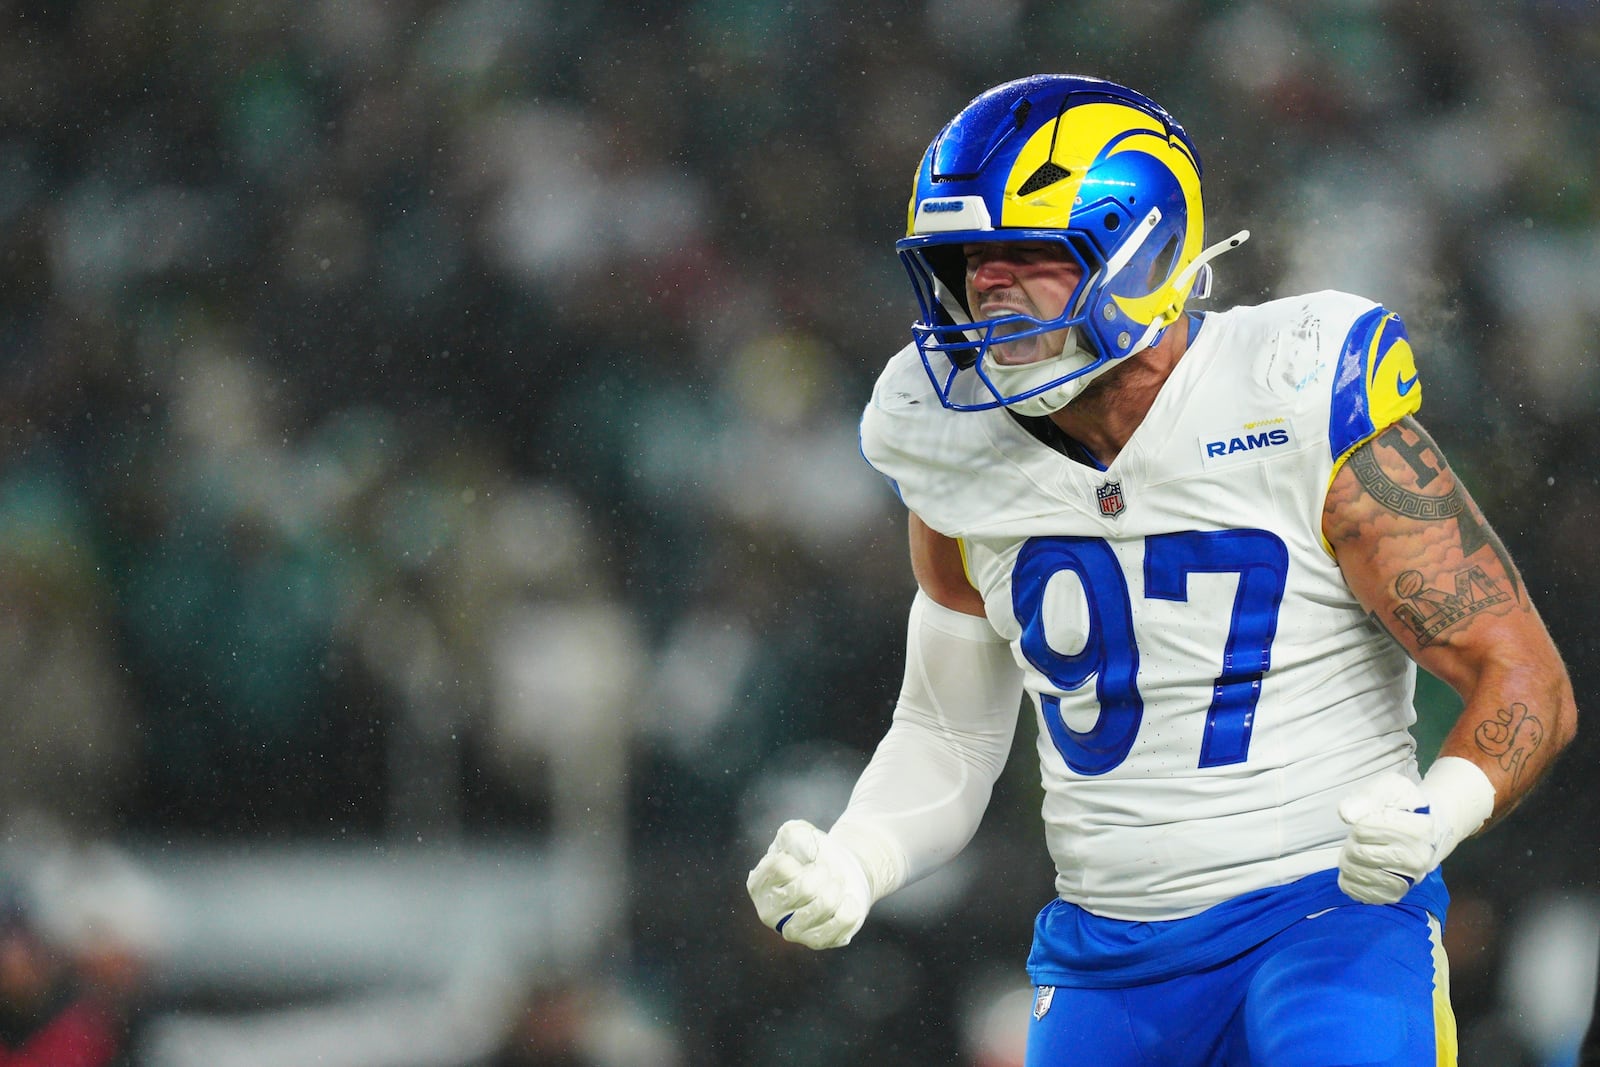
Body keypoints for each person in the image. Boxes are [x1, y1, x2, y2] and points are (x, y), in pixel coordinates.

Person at [745, 74, 1578, 1066]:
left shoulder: (1295, 395)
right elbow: (946, 729)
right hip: (1104, 958)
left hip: (1325, 922)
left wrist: (1438, 810)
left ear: (1137, 250)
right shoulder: (950, 445)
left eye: (1029, 253)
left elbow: (1523, 676)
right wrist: (860, 852)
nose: (987, 287)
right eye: (969, 259)